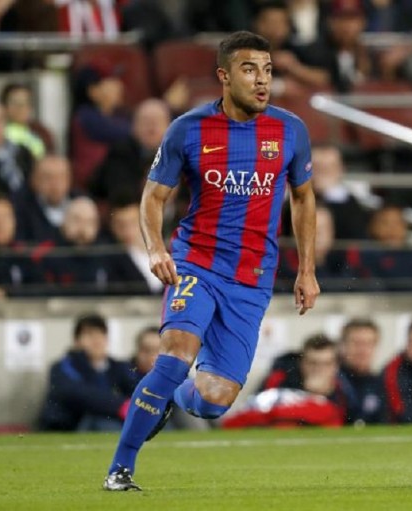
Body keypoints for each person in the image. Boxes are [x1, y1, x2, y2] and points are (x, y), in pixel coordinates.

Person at [103, 31, 319, 491]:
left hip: (252, 279)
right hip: (195, 263)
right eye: (249, 69)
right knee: (175, 355)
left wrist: (306, 270)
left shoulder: (290, 130)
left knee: (214, 400)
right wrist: (156, 249)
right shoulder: (188, 129)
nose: (262, 80)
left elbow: (303, 199)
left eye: (267, 70)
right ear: (223, 75)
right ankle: (120, 469)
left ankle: (168, 397)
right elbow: (153, 197)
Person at [39, 314, 136, 431]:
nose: (96, 340)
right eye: (89, 334)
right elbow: (78, 394)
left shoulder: (119, 367)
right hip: (71, 425)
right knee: (100, 421)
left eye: (100, 334)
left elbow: (134, 388)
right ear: (76, 341)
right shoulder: (62, 367)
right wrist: (120, 405)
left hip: (108, 421)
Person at [89, 99, 171, 206]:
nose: (152, 127)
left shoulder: (182, 153)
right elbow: (120, 195)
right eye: (145, 122)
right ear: (134, 127)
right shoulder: (120, 153)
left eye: (157, 122)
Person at [261, 334, 357, 423]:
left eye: (326, 364)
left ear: (336, 366)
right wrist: (307, 397)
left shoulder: (344, 388)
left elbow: (351, 423)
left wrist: (325, 397)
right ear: (302, 363)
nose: (319, 369)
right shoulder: (279, 380)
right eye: (313, 363)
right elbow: (258, 411)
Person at [70, 59, 131, 190]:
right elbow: (132, 133)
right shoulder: (86, 117)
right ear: (93, 91)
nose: (119, 86)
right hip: (94, 186)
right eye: (111, 81)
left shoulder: (119, 115)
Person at [106, 196, 162, 294]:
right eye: (121, 225)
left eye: (133, 223)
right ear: (112, 226)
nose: (128, 231)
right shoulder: (112, 260)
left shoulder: (165, 248)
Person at [14, 155, 76, 243]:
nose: (55, 184)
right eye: (48, 178)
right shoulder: (21, 207)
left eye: (61, 177)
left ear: (69, 179)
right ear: (34, 180)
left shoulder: (82, 203)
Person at [338, 318, 387, 424]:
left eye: (368, 344)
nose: (362, 350)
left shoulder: (381, 384)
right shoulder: (332, 382)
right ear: (343, 346)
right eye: (356, 343)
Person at [0, 82, 54, 158]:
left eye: (25, 102)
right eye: (15, 102)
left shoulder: (42, 132)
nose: (20, 107)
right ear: (4, 106)